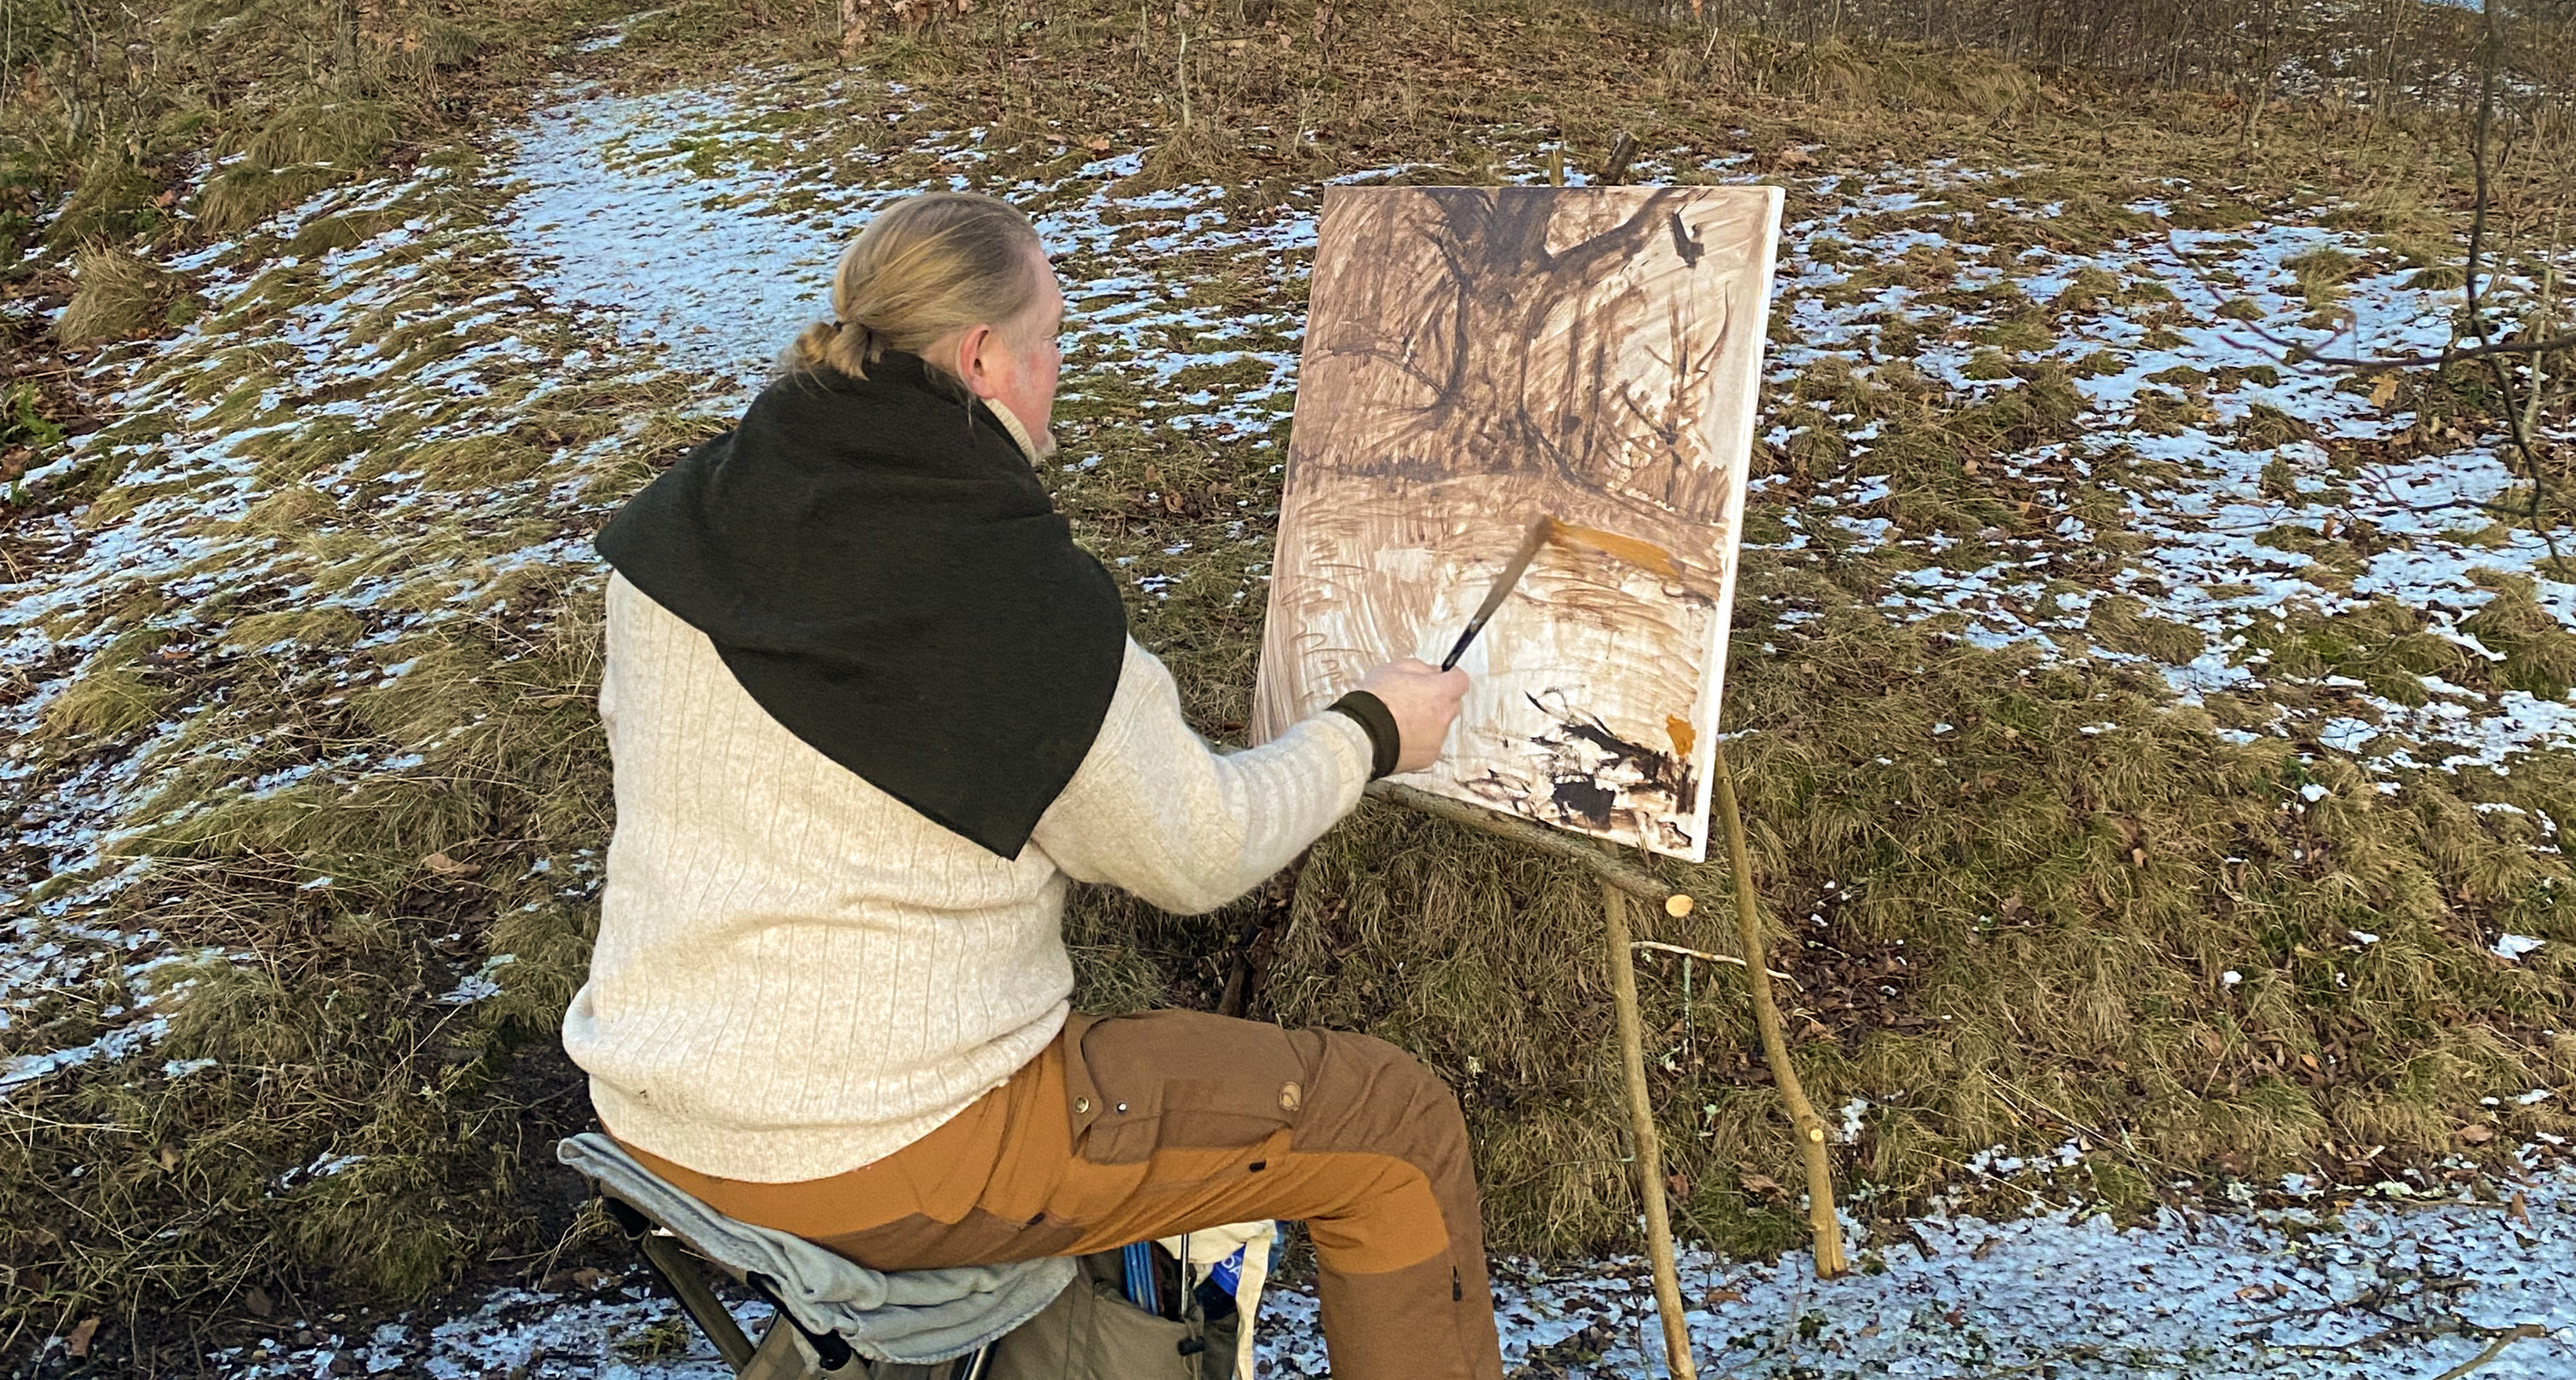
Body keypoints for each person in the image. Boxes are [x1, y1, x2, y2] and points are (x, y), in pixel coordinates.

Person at [562, 190, 1503, 1380]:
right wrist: (1372, 730)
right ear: (981, 356)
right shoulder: (1007, 595)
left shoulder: (682, 520)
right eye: (1054, 334)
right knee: (1393, 1126)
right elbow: (1197, 850)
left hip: (658, 1102)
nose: (1064, 366)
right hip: (885, 1146)